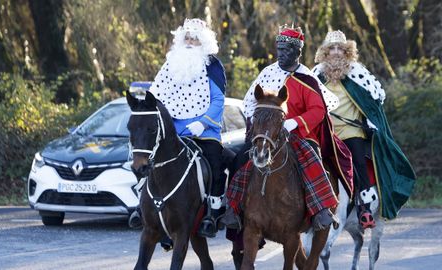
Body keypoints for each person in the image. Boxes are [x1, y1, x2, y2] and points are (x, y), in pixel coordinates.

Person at [221, 26, 354, 233]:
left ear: (298, 52)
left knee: (312, 157)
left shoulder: (307, 78)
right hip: (267, 133)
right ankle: (232, 209)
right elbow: (249, 102)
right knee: (240, 158)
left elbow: (318, 110)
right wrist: (255, 125)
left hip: (299, 134)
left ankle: (322, 209)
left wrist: (296, 122)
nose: (281, 55)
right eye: (279, 49)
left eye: (286, 51)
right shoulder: (268, 73)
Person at [312, 30, 416, 228]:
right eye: (331, 48)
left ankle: (365, 208)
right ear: (325, 52)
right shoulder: (317, 73)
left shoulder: (356, 71)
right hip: (327, 130)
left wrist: (369, 118)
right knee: (309, 159)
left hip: (351, 130)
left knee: (358, 162)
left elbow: (378, 95)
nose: (335, 52)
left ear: (346, 51)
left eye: (340, 49)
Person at [149, 18, 226, 238]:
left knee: (215, 163)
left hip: (204, 130)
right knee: (150, 161)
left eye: (195, 39)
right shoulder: (170, 63)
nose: (191, 42)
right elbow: (156, 97)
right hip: (173, 130)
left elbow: (218, 101)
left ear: (203, 42)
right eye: (188, 38)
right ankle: (144, 208)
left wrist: (202, 123)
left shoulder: (212, 66)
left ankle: (212, 213)